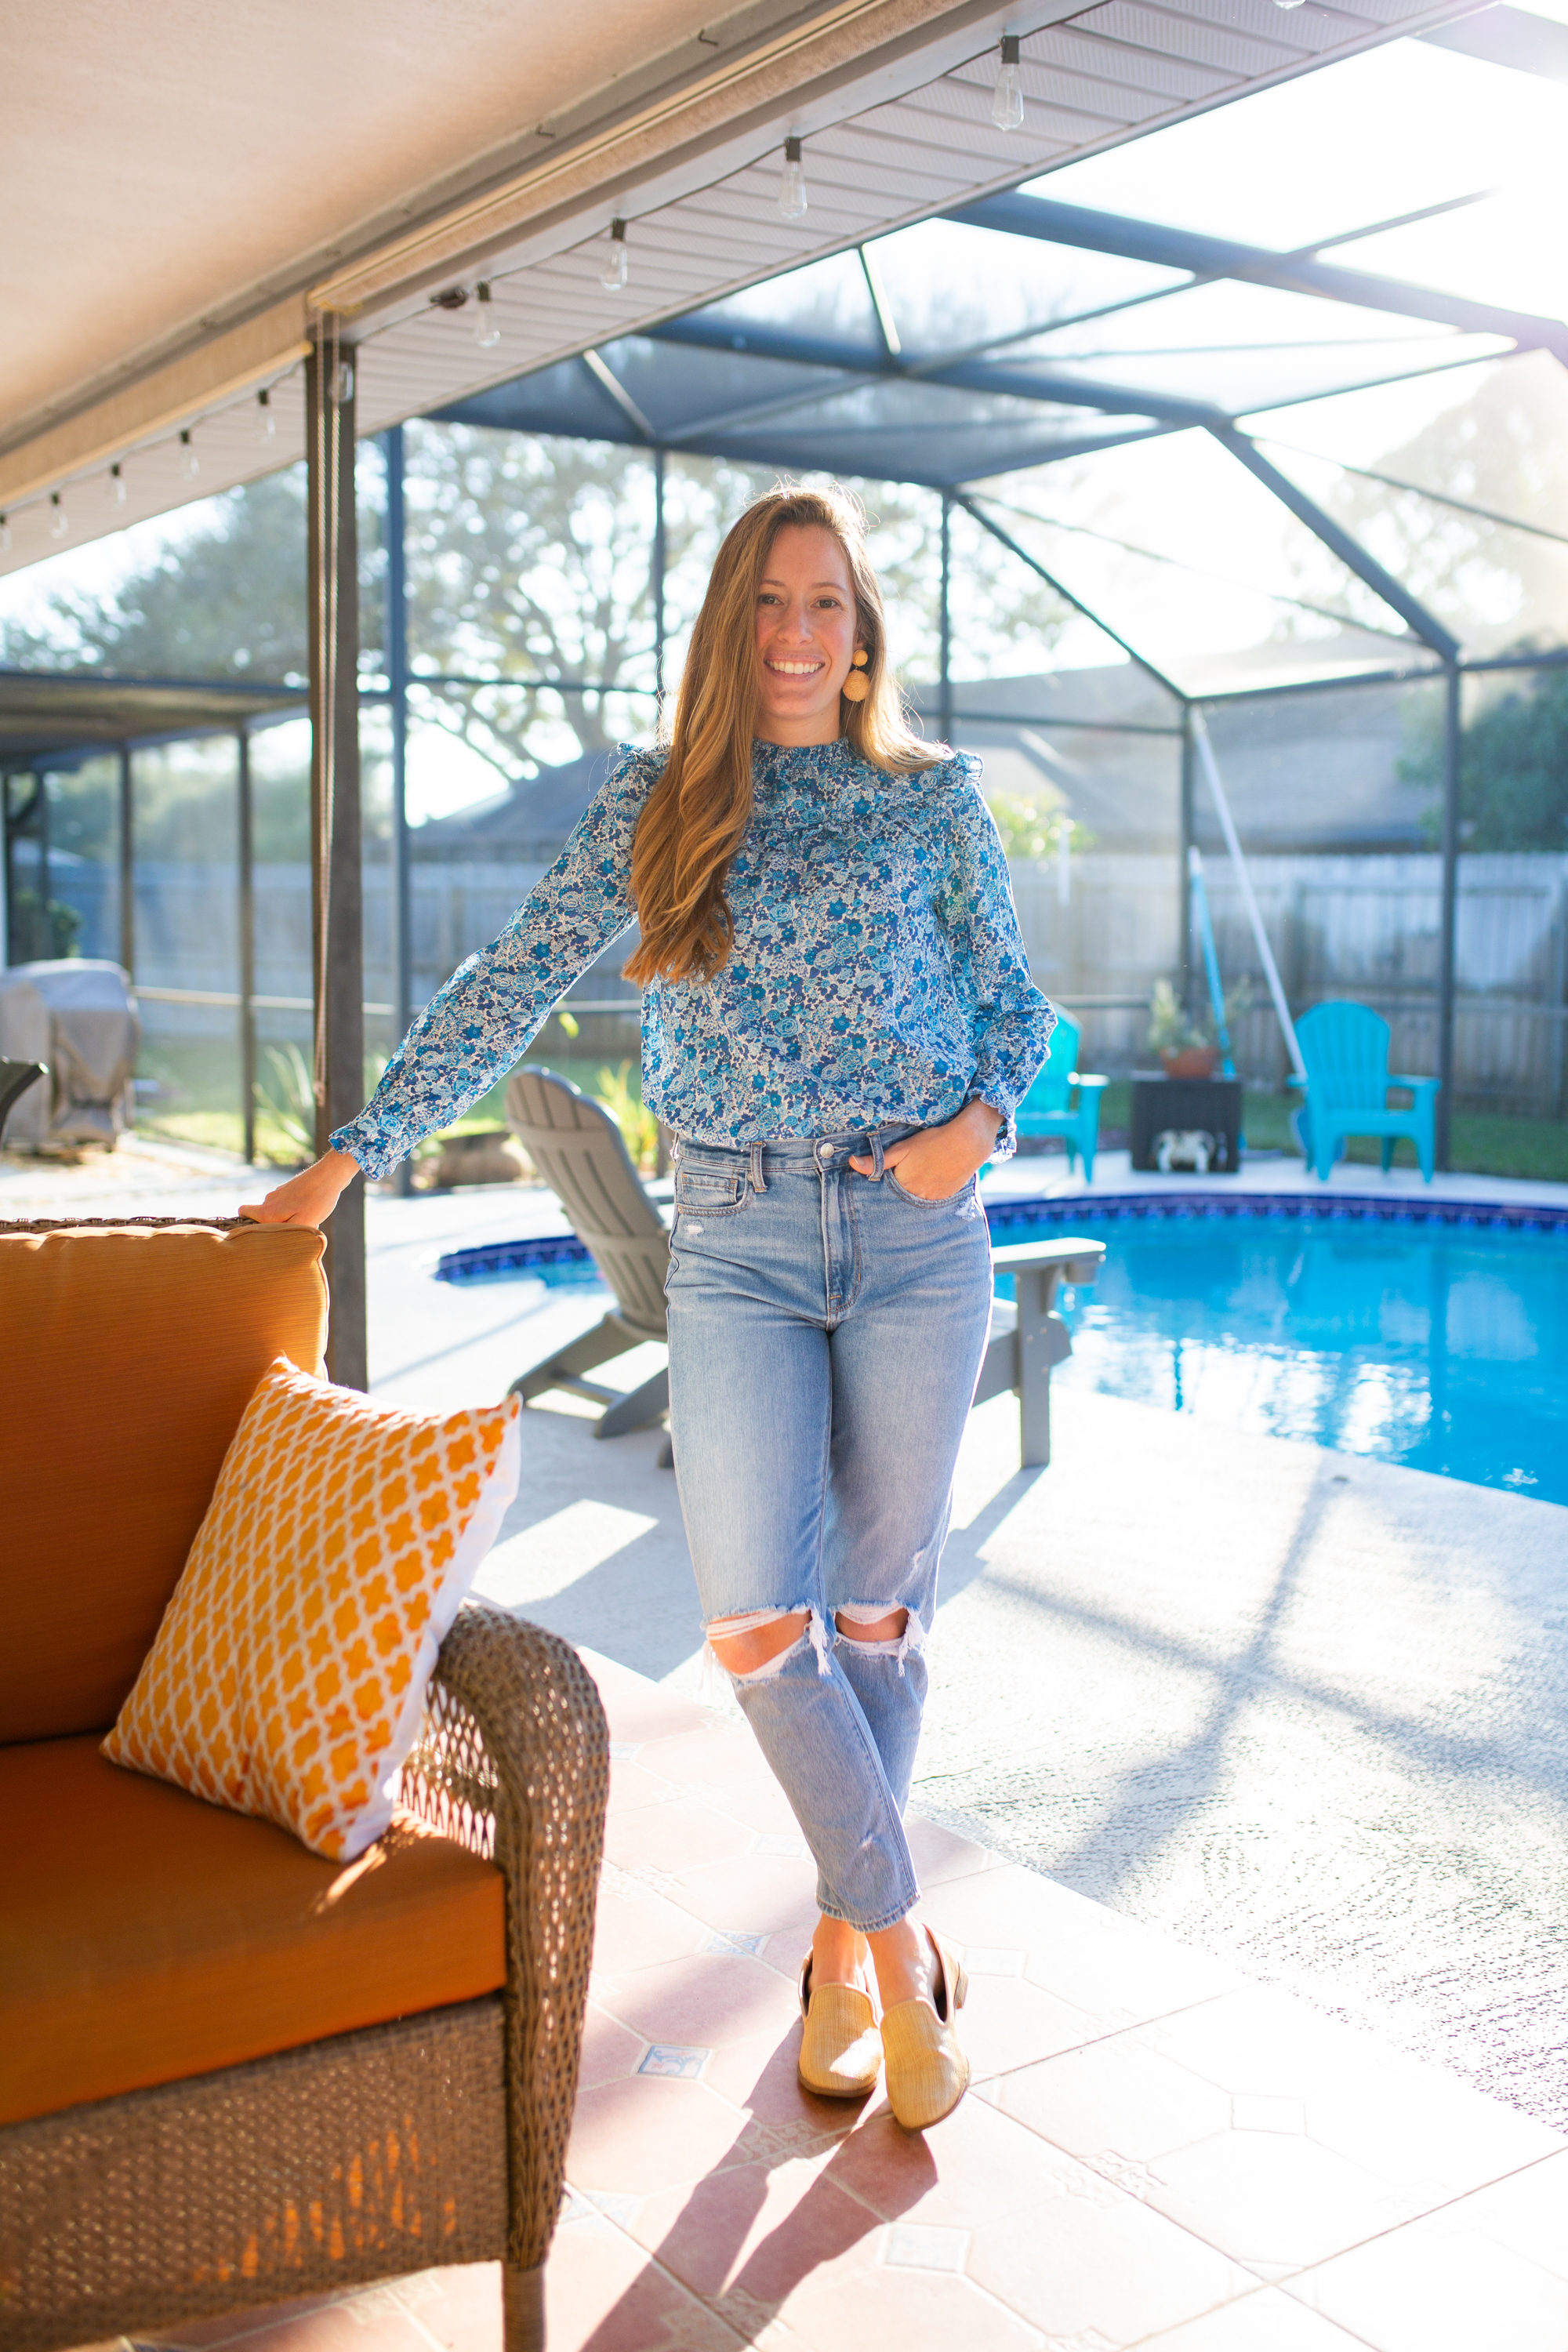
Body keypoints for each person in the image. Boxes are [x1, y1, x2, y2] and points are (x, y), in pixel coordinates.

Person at [243, 485, 1055, 2130]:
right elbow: (507, 984)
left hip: (916, 1233)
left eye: (825, 602)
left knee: (883, 1616)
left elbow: (1015, 1005)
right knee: (760, 1622)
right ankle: (903, 1959)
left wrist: (978, 1128)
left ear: (861, 629)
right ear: (725, 628)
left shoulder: (930, 796)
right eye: (765, 603)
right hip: (739, 1233)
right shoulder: (660, 800)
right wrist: (349, 1158)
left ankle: (835, 1961)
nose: (795, 634)